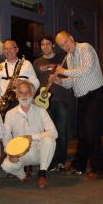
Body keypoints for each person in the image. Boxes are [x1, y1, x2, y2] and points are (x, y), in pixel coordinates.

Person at [51, 30, 103, 180]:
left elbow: (87, 69)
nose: (65, 47)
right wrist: (60, 81)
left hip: (96, 94)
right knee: (82, 132)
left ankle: (97, 170)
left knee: (92, 131)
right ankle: (79, 166)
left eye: (66, 43)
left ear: (71, 38)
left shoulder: (85, 48)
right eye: (62, 46)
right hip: (83, 98)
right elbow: (72, 81)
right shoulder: (69, 57)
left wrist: (64, 70)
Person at [1, 80, 57, 189]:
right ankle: (21, 175)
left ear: (32, 94)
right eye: (21, 92)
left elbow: (54, 133)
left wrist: (33, 137)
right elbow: (6, 136)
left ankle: (42, 173)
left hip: (39, 152)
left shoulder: (41, 111)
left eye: (27, 92)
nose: (24, 95)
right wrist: (11, 153)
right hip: (20, 153)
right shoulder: (10, 114)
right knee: (6, 166)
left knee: (49, 140)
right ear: (17, 95)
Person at [33, 35, 70, 171]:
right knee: (48, 132)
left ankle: (60, 161)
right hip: (43, 102)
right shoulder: (37, 62)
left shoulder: (62, 59)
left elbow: (69, 75)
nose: (45, 47)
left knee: (61, 131)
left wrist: (59, 78)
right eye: (42, 44)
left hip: (61, 99)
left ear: (53, 45)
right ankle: (50, 161)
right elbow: (34, 82)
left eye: (48, 44)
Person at [0, 40, 40, 111]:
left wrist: (23, 83)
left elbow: (36, 83)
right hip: (6, 104)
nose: (8, 51)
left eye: (11, 48)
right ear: (3, 51)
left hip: (24, 101)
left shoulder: (27, 64)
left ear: (17, 49)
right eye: (6, 49)